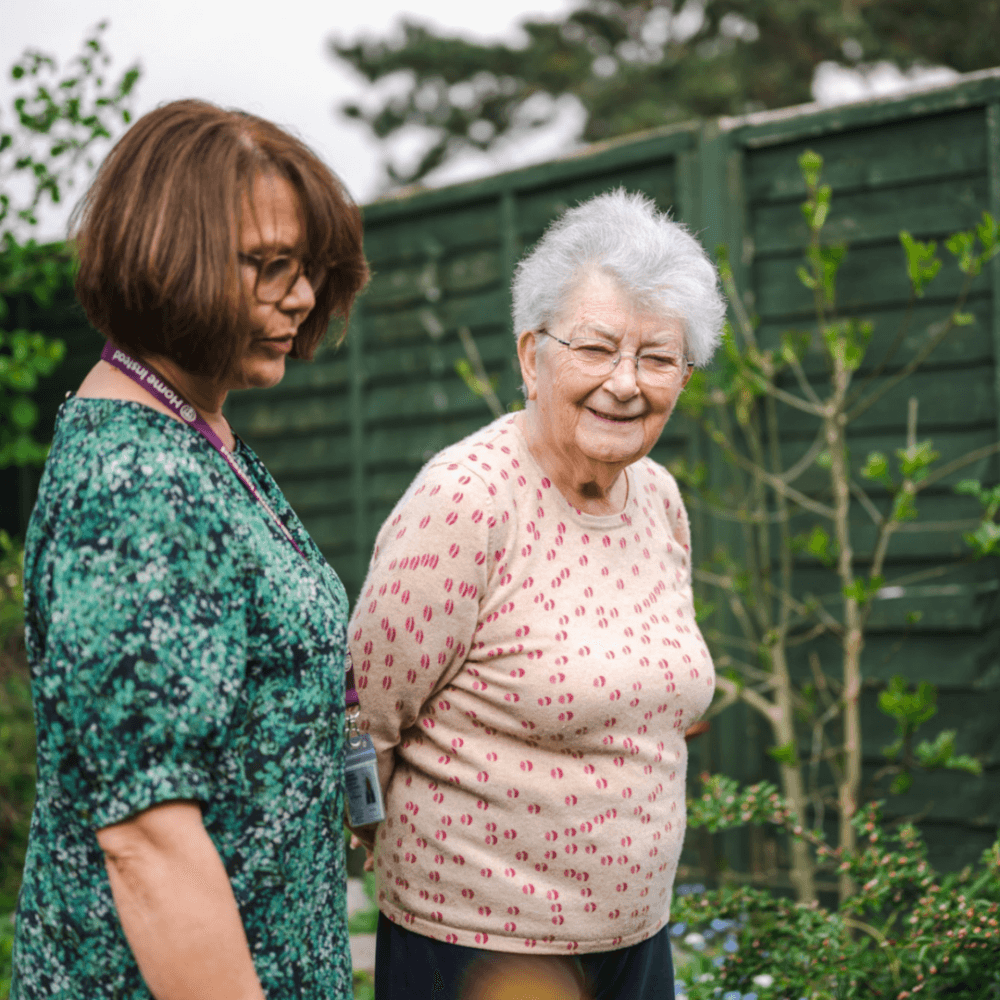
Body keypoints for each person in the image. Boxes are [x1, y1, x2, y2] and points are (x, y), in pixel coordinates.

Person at [11, 100, 368, 999]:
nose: (302, 297)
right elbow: (146, 840)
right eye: (267, 266)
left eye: (312, 269)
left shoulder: (197, 430)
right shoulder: (133, 484)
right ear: (169, 257)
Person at [348, 189, 725, 1000]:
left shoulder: (657, 497)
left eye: (659, 359)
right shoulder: (466, 499)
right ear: (531, 356)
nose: (626, 384)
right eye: (595, 348)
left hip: (639, 935)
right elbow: (366, 717)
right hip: (478, 952)